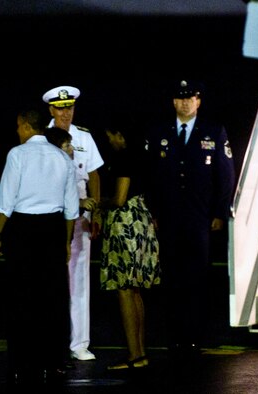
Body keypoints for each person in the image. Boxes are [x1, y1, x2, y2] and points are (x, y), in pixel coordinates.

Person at [144, 79, 236, 357]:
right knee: (171, 277)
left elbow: (226, 174)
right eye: (181, 98)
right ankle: (174, 335)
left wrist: (219, 212)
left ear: (199, 101)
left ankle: (194, 335)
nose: (185, 102)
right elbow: (150, 176)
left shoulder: (213, 131)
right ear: (174, 101)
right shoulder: (159, 131)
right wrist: (155, 212)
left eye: (191, 98)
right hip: (170, 217)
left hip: (200, 217)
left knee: (197, 277)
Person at [0, 109, 79, 385]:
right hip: (53, 229)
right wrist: (66, 242)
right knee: (53, 298)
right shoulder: (62, 158)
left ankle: (20, 363)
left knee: (21, 298)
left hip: (23, 230)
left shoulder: (17, 155)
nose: (17, 131)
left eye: (19, 126)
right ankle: (53, 363)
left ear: (27, 126)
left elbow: (7, 199)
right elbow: (71, 208)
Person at [43, 85, 104, 362]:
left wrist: (97, 211)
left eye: (69, 107)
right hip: (49, 213)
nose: (65, 113)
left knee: (79, 278)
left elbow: (93, 174)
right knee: (50, 279)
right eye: (60, 108)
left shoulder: (83, 137)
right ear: (51, 109)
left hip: (81, 215)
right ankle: (51, 340)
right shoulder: (41, 138)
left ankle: (79, 342)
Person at [96, 116, 161, 370]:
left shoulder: (124, 158)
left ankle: (133, 354)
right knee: (135, 290)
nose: (109, 141)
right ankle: (140, 353)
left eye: (111, 136)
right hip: (142, 221)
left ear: (120, 135)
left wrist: (98, 203)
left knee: (124, 288)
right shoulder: (143, 155)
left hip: (125, 225)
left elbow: (120, 198)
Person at [44, 127, 98, 214]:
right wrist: (80, 203)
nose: (72, 148)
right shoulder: (49, 173)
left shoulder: (67, 168)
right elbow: (52, 198)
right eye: (67, 145)